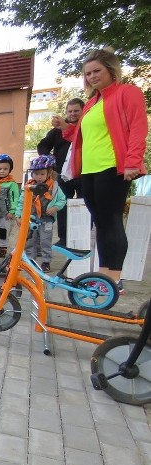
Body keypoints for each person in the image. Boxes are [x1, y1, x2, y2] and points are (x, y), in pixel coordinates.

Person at [52, 48, 148, 294]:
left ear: (111, 70)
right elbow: (81, 135)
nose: (92, 76)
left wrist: (132, 162)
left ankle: (114, 277)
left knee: (111, 218)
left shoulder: (128, 93)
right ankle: (105, 274)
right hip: (90, 169)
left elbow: (138, 128)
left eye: (97, 71)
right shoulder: (92, 103)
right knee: (100, 222)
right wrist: (66, 126)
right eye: (88, 73)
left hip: (112, 166)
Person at [39, 98, 85, 246]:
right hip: (63, 174)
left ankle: (81, 236)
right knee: (63, 204)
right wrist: (48, 159)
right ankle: (64, 238)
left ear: (82, 110)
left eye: (76, 111)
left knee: (84, 204)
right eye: (70, 111)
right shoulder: (57, 130)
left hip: (85, 172)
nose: (72, 114)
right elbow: (43, 145)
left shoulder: (87, 125)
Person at [13, 155, 67, 272]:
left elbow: (62, 200)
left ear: (49, 173)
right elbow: (21, 201)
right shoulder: (28, 187)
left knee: (45, 241)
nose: (38, 177)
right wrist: (18, 215)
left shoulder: (54, 187)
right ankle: (30, 261)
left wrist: (55, 207)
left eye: (42, 174)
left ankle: (46, 262)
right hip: (31, 218)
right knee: (30, 240)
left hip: (46, 219)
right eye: (36, 174)